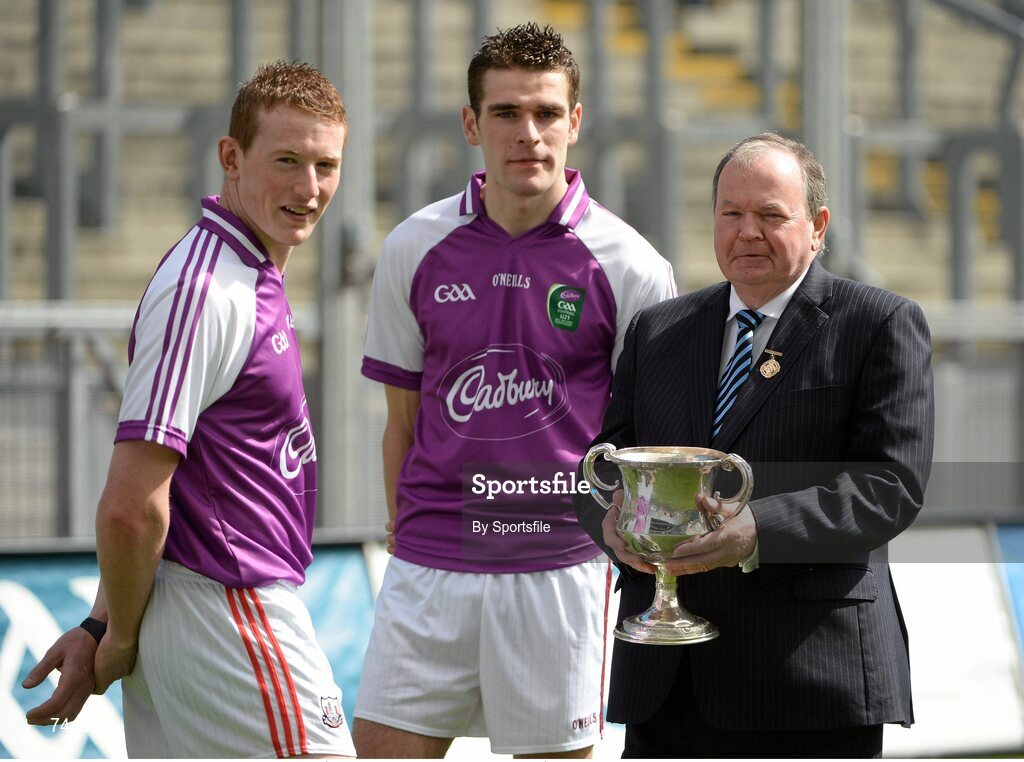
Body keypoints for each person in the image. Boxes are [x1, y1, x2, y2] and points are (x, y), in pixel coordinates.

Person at [355, 22, 676, 759]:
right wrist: (405, 528)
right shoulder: (413, 246)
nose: (527, 134)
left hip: (558, 567)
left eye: (545, 113)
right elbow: (399, 419)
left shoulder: (633, 265)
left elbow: (649, 440)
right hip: (430, 566)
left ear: (575, 123)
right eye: (504, 113)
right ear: (472, 124)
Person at [22, 61, 356, 759]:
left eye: (326, 165)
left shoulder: (245, 272)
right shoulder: (209, 290)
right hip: (228, 613)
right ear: (231, 158)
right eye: (287, 161)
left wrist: (99, 627)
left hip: (194, 609)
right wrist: (113, 634)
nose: (309, 188)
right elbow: (132, 504)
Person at [574, 133, 935, 759]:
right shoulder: (658, 330)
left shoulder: (878, 324)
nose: (748, 232)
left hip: (808, 682)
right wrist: (609, 525)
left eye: (771, 215)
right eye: (731, 213)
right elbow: (608, 461)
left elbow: (889, 488)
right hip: (668, 679)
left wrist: (755, 529)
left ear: (817, 226)